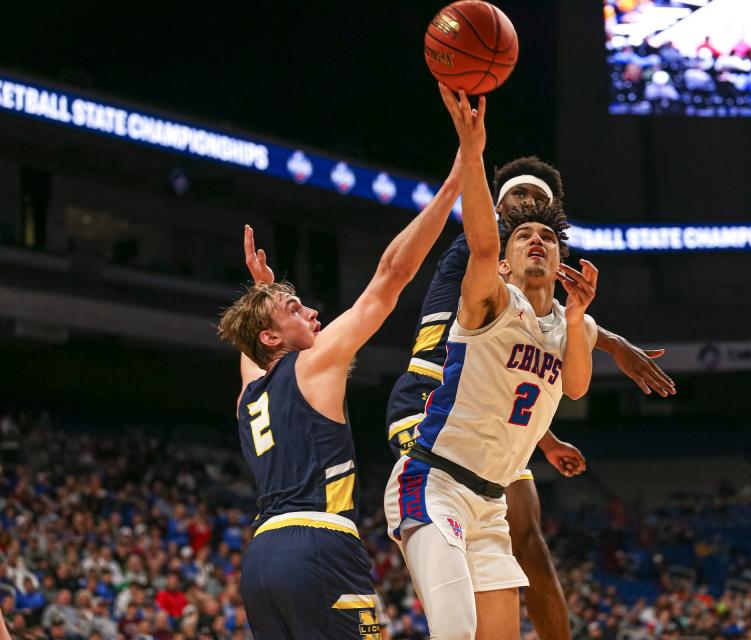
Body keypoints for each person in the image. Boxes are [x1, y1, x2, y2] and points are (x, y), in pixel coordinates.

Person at [385, 156, 674, 639]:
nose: (528, 216)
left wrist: (608, 345)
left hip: (491, 453)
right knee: (458, 615)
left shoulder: (561, 317)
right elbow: (484, 246)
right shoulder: (482, 260)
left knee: (530, 538)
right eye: (517, 207)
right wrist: (471, 152)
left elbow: (557, 370)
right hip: (430, 399)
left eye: (541, 209)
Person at [217, 148, 462, 638]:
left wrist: (262, 294)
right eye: (295, 309)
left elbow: (251, 345)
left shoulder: (249, 392)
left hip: (262, 559)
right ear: (272, 337)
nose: (312, 314)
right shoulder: (313, 363)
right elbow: (389, 279)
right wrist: (457, 180)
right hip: (318, 544)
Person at [384, 84, 599, 639]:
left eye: (547, 235)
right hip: (433, 479)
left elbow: (575, 387)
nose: (535, 238)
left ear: (561, 256)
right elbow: (481, 243)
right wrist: (472, 151)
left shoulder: (570, 323)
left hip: (489, 502)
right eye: (522, 232)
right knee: (454, 632)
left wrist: (579, 321)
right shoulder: (491, 298)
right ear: (502, 263)